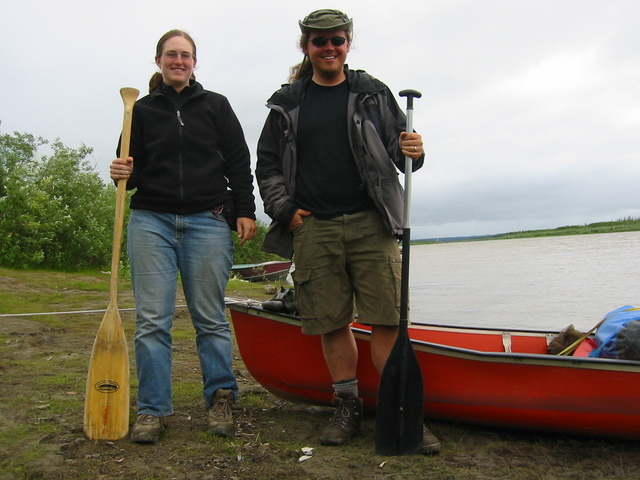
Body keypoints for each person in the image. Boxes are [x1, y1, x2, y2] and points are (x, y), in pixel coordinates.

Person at [256, 9, 440, 453]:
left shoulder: (373, 94)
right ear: (306, 47)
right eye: (319, 42)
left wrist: (416, 148)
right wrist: (286, 211)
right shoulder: (287, 103)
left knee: (387, 321)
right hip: (313, 228)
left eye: (336, 40)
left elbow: (406, 156)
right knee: (331, 323)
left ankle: (402, 412)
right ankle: (347, 407)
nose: (329, 48)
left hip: (372, 223)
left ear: (347, 43)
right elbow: (267, 166)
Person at [109, 29, 257, 444]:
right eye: (171, 55)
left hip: (207, 220)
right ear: (158, 61)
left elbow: (238, 160)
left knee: (209, 317)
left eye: (186, 55)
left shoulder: (216, 106)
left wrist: (245, 210)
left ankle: (221, 398)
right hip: (150, 220)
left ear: (195, 62)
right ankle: (152, 410)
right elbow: (128, 171)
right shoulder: (138, 110)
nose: (179, 61)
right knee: (152, 320)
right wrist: (118, 172)